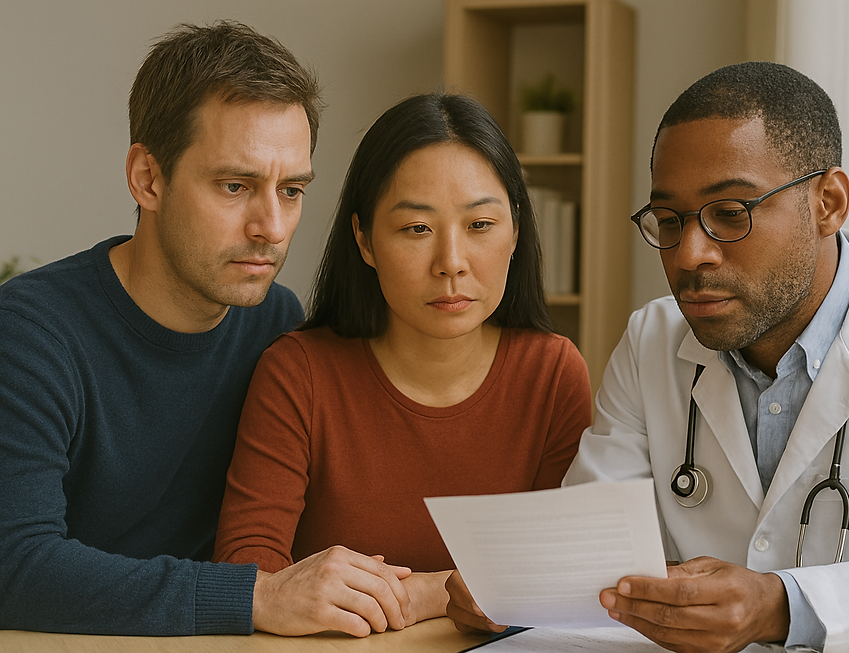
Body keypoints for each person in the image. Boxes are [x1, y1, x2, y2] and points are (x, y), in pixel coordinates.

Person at [445, 61, 849, 652]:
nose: (689, 254)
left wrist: (781, 604)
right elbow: (588, 548)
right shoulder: (652, 338)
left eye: (731, 213)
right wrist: (518, 587)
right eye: (669, 221)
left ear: (828, 202)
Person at [0, 20, 379, 637]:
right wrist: (253, 597)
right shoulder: (30, 335)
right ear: (148, 178)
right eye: (236, 186)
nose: (272, 227)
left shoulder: (278, 326)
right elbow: (14, 566)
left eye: (291, 190)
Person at [212, 92, 593, 637]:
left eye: (481, 224)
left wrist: (423, 594)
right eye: (417, 229)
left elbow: (564, 573)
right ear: (364, 239)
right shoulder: (298, 372)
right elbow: (248, 576)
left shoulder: (552, 374)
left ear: (516, 232)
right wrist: (445, 588)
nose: (451, 264)